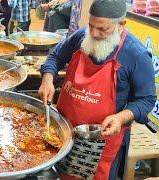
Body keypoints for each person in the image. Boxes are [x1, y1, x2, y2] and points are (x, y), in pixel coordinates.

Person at [38, 0, 156, 179]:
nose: (93, 33)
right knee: (61, 174)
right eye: (91, 25)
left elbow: (146, 100)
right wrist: (47, 79)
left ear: (121, 25)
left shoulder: (136, 55)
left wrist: (121, 117)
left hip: (101, 140)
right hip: (64, 132)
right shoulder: (81, 37)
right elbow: (55, 56)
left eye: (102, 29)